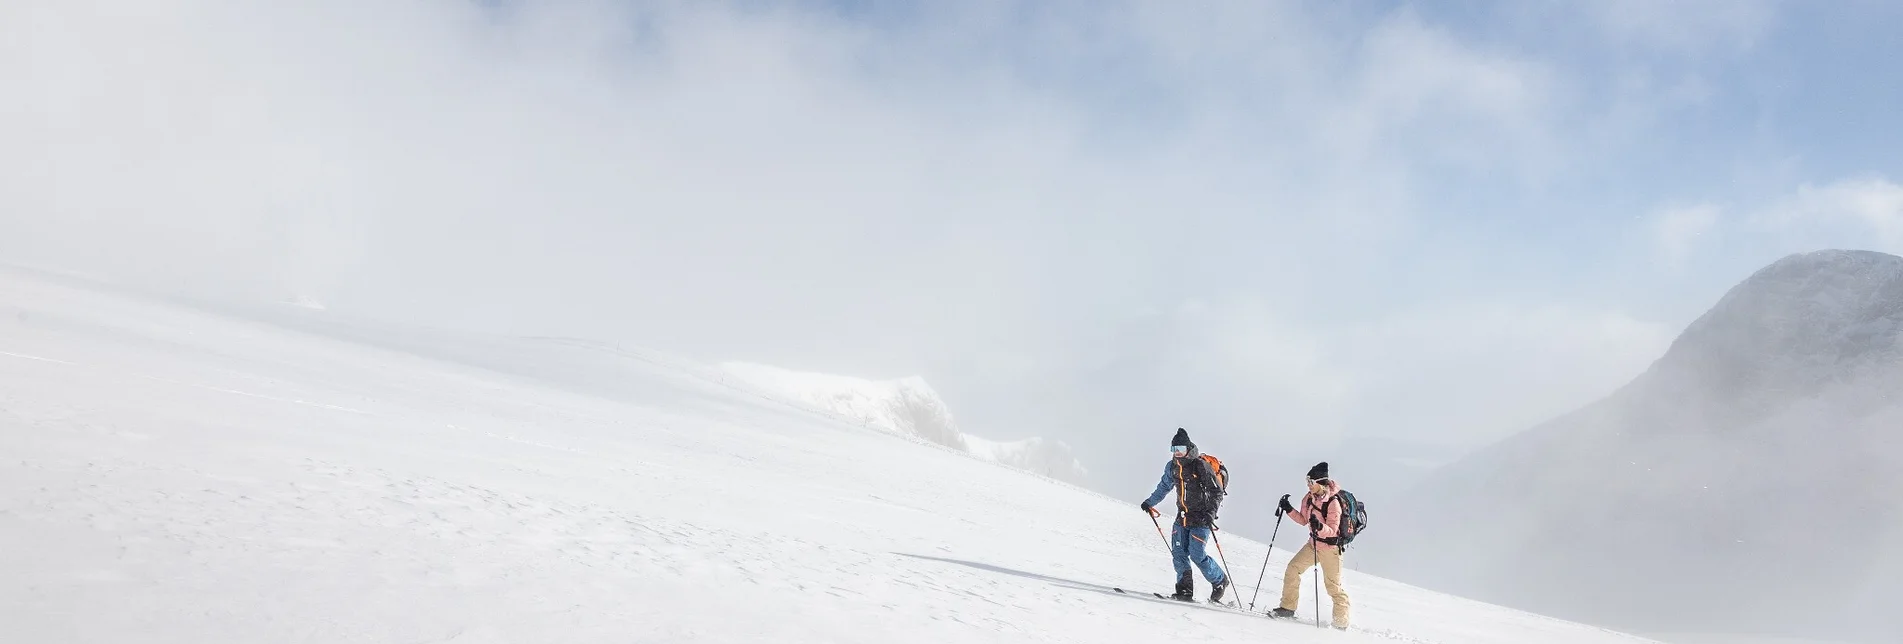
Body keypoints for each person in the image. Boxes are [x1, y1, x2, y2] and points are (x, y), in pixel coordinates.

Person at [1138, 428, 1230, 602]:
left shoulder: (1200, 466)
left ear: (1188, 448)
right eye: (1174, 449)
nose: (1177, 452)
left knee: (1196, 554)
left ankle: (1219, 581)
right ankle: (1184, 590)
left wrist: (1211, 512)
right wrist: (1150, 502)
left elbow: (1216, 491)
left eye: (1180, 448)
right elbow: (1164, 486)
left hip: (1202, 518)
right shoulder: (1172, 467)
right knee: (1179, 553)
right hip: (1182, 517)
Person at [1270, 461, 1351, 630]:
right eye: (1307, 482)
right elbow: (1303, 520)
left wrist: (1320, 527)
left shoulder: (1333, 503)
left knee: (1333, 587)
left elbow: (1333, 531)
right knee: (1293, 568)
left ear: (1320, 483)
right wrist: (1288, 509)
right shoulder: (1308, 498)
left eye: (1311, 482)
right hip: (1313, 545)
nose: (1308, 485)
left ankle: (1341, 624)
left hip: (1330, 550)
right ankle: (1288, 608)